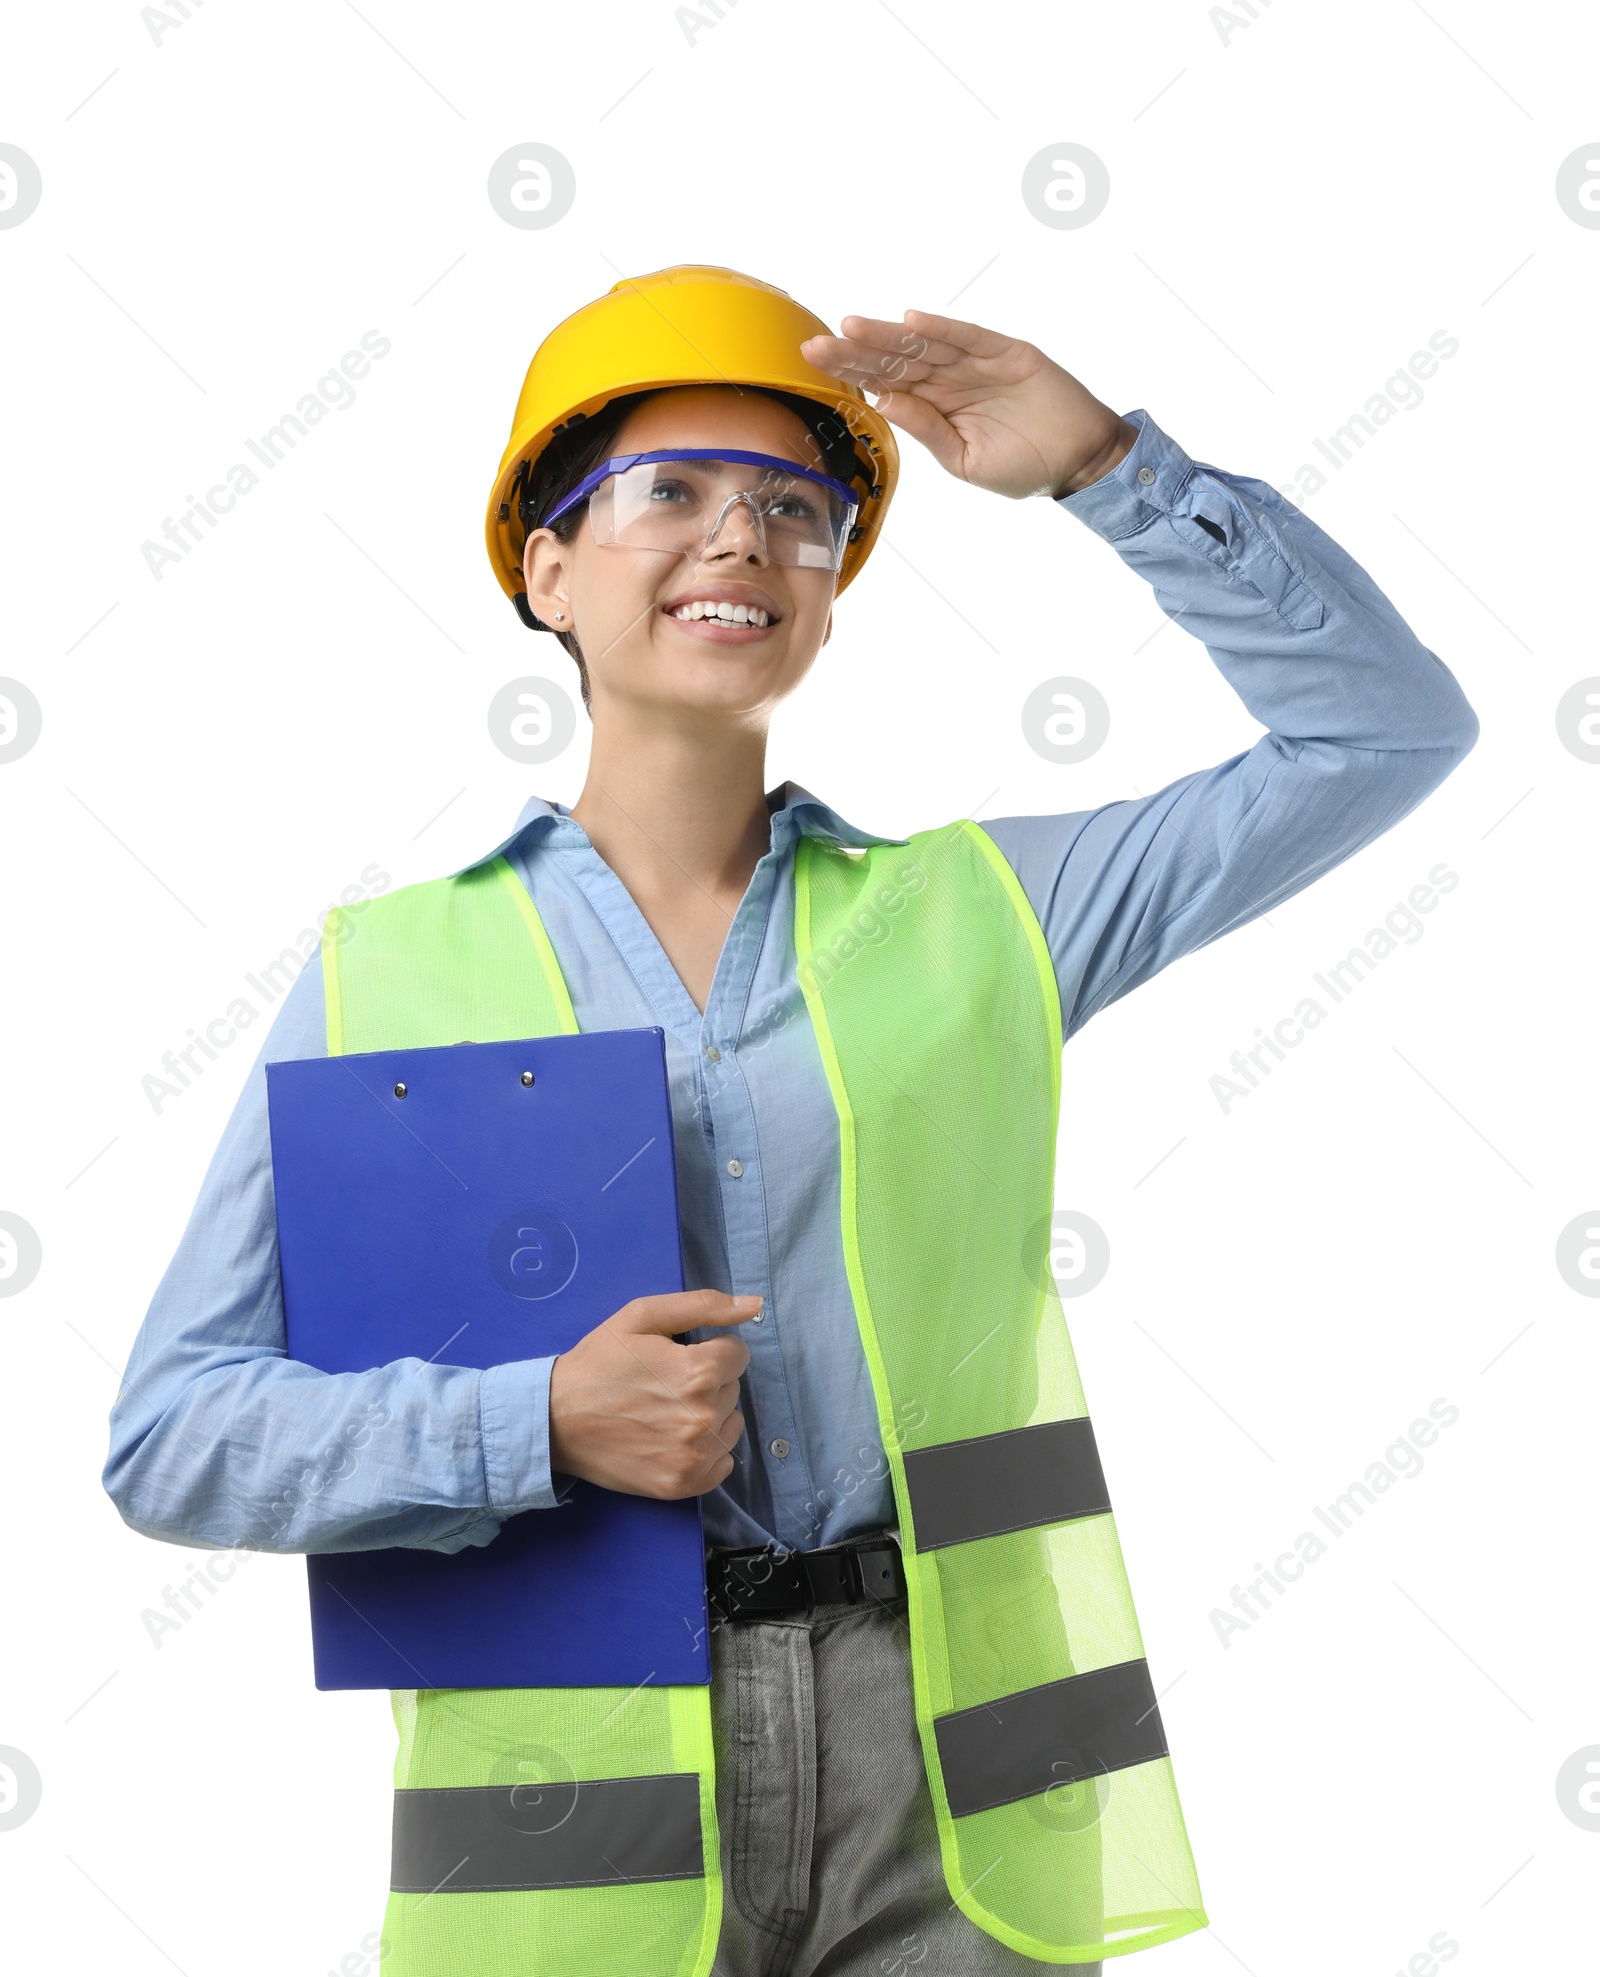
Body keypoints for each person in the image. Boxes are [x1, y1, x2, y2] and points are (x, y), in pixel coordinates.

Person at [104, 264, 1478, 1977]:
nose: (740, 539)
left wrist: (1107, 466)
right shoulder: (387, 973)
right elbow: (173, 1436)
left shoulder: (984, 915)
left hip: (960, 1782)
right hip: (573, 1811)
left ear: (831, 594)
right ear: (546, 566)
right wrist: (530, 1421)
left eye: (794, 509)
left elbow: (1386, 732)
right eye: (667, 491)